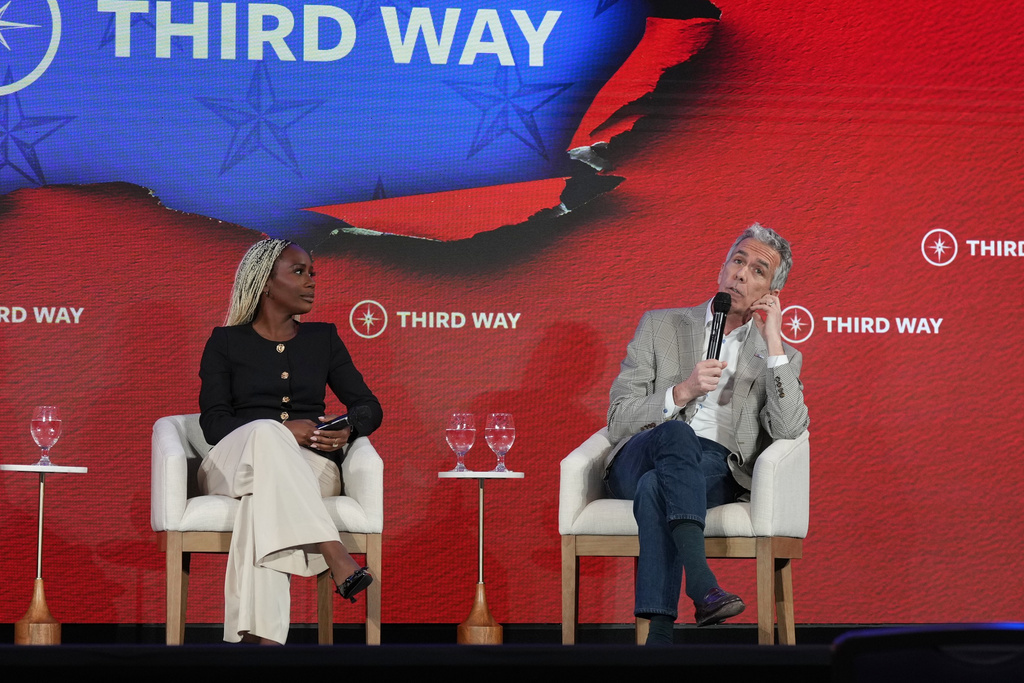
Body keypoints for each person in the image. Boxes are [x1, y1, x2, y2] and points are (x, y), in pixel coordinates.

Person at [605, 223, 809, 645]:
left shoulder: (782, 356)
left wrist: (773, 340)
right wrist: (681, 392)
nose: (741, 274)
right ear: (722, 268)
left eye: (758, 271)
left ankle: (659, 634)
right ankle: (701, 585)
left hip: (714, 468)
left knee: (654, 488)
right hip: (644, 449)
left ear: (770, 292)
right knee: (674, 437)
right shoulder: (661, 325)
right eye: (738, 261)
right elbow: (618, 417)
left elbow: (789, 429)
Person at [197, 238, 383, 645]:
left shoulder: (324, 339)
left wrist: (348, 429)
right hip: (233, 463)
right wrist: (281, 427)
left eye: (312, 272)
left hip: (308, 467)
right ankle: (335, 554)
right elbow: (213, 425)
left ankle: (261, 643)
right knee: (267, 432)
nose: (311, 281)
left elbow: (369, 406)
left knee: (259, 503)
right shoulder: (225, 342)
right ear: (265, 282)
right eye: (298, 272)